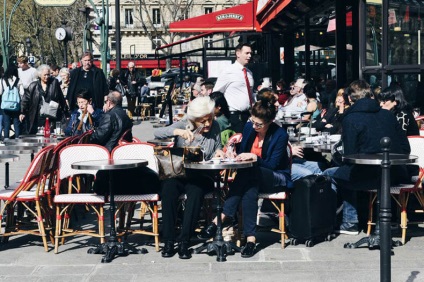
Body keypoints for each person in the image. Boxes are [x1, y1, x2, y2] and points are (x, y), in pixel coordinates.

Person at [199, 94, 292, 258]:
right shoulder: (249, 127)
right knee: (250, 189)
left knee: (250, 172)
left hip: (275, 176)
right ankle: (250, 239)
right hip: (252, 178)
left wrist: (256, 158)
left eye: (259, 124)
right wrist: (233, 154)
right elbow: (242, 152)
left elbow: (273, 165)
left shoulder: (280, 135)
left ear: (270, 122)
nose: (254, 126)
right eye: (253, 121)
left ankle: (222, 217)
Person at [322, 80, 411, 235]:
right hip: (395, 173)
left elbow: (350, 156)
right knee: (345, 172)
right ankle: (367, 219)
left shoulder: (351, 119)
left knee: (329, 174)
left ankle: (350, 221)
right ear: (370, 95)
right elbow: (405, 148)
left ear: (350, 99)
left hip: (368, 175)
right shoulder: (387, 115)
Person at [154, 96, 224, 259]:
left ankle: (184, 241)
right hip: (179, 172)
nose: (207, 124)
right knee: (168, 190)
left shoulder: (216, 126)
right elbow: (157, 133)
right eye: (202, 121)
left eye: (209, 119)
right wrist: (176, 131)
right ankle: (169, 241)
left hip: (202, 174)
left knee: (195, 192)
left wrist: (219, 152)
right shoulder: (186, 124)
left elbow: (217, 147)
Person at [213, 43, 254, 133]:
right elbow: (216, 94)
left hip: (248, 115)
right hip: (233, 116)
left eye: (250, 53)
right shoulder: (228, 71)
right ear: (238, 54)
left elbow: (249, 94)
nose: (250, 56)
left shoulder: (249, 73)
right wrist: (222, 111)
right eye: (247, 53)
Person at [19, 64, 68, 135]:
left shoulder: (54, 82)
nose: (47, 77)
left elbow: (61, 98)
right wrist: (22, 112)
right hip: (38, 116)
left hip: (51, 115)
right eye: (45, 75)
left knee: (50, 134)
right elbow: (25, 100)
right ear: (39, 75)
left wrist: (66, 113)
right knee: (39, 134)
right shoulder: (33, 86)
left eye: (48, 74)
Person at [0, 65, 23, 139]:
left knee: (6, 122)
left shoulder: (2, 80)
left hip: (5, 105)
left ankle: (6, 138)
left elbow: (0, 92)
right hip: (15, 105)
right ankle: (17, 137)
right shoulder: (18, 80)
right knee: (16, 122)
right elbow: (22, 93)